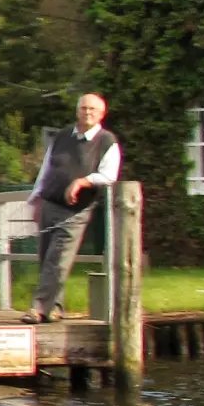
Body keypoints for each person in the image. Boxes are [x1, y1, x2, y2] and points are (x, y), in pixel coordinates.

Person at [23, 92, 121, 324]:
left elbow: (109, 176)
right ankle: (55, 307)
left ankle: (38, 308)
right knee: (46, 257)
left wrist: (82, 181)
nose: (87, 112)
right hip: (50, 203)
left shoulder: (107, 141)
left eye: (92, 109)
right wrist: (36, 200)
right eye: (83, 108)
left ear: (102, 114)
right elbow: (46, 171)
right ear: (77, 110)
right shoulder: (63, 136)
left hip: (76, 210)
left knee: (58, 259)